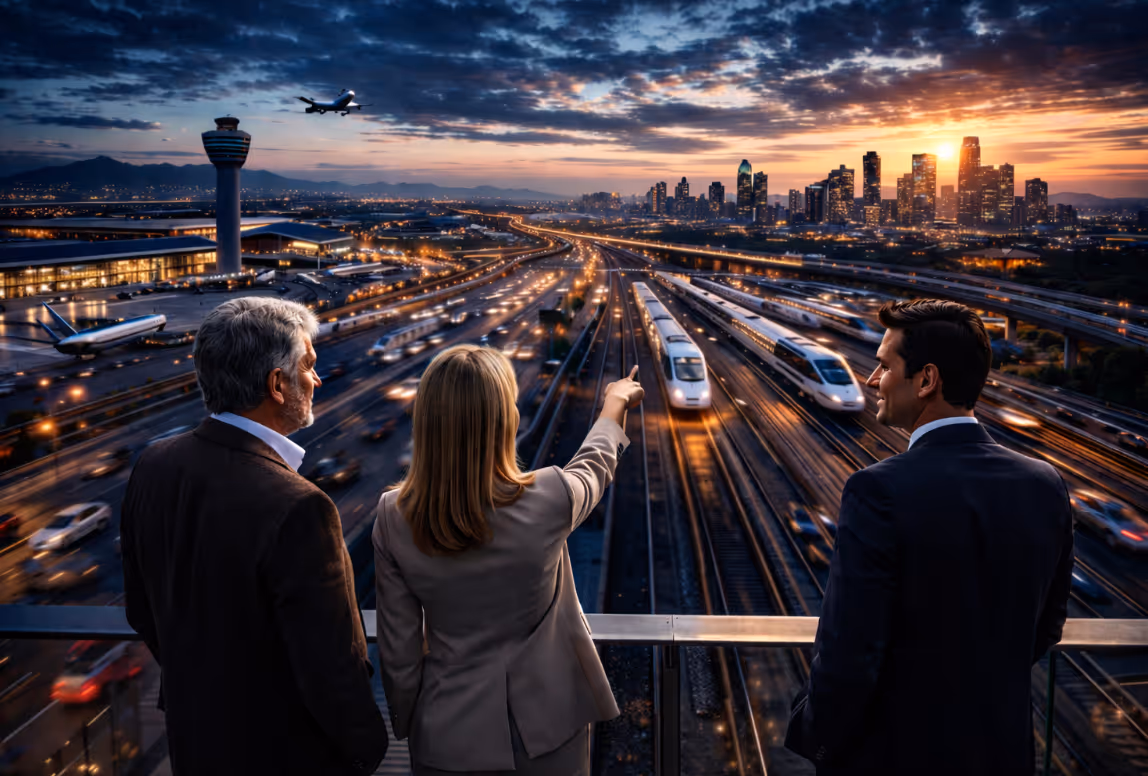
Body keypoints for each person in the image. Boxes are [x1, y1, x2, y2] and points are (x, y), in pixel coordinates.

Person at [785, 299, 1073, 775]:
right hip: (1002, 752)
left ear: (926, 380)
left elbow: (849, 653)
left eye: (883, 366)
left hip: (896, 756)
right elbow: (1047, 628)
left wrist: (814, 739)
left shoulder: (876, 490)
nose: (873, 380)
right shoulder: (1045, 483)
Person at [121, 297, 388, 775]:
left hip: (195, 743)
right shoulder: (299, 505)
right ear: (277, 385)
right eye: (308, 366)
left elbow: (142, 610)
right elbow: (332, 665)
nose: (318, 379)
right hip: (285, 756)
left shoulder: (153, 466)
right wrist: (366, 749)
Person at [373, 346, 644, 775]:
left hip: (448, 734)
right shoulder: (550, 496)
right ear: (506, 422)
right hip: (547, 733)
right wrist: (615, 401)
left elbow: (399, 652)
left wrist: (414, 722)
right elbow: (595, 466)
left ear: (425, 423)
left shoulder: (393, 515)